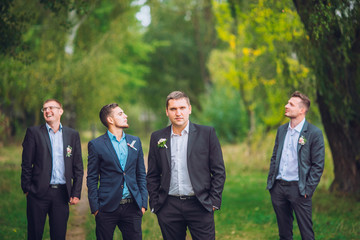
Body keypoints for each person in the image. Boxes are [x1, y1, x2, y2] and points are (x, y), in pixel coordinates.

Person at [147, 91, 226, 240]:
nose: (178, 113)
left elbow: (219, 171)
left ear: (189, 109)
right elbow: (152, 174)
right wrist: (155, 203)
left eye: (182, 108)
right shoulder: (157, 137)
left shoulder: (207, 133)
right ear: (167, 112)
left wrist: (214, 201)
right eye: (173, 109)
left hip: (200, 204)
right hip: (168, 206)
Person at [21, 99, 84, 240]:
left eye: (51, 108)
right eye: (44, 109)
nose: (47, 111)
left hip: (62, 194)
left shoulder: (72, 135)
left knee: (59, 235)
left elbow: (78, 167)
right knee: (34, 235)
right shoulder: (33, 133)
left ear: (60, 111)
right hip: (37, 194)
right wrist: (27, 188)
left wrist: (76, 192)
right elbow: (26, 164)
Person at [267, 91, 325, 240]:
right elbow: (275, 157)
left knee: (307, 234)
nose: (286, 106)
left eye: (291, 104)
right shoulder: (281, 130)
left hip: (299, 190)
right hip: (278, 188)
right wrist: (271, 184)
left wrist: (308, 189)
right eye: (287, 103)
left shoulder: (314, 133)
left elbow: (318, 165)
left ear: (302, 110)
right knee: (284, 234)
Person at [87, 103, 148, 240]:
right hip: (106, 207)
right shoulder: (96, 145)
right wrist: (96, 208)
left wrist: (143, 203)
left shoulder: (135, 141)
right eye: (120, 114)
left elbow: (141, 174)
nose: (125, 116)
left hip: (132, 207)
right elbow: (91, 178)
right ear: (110, 120)